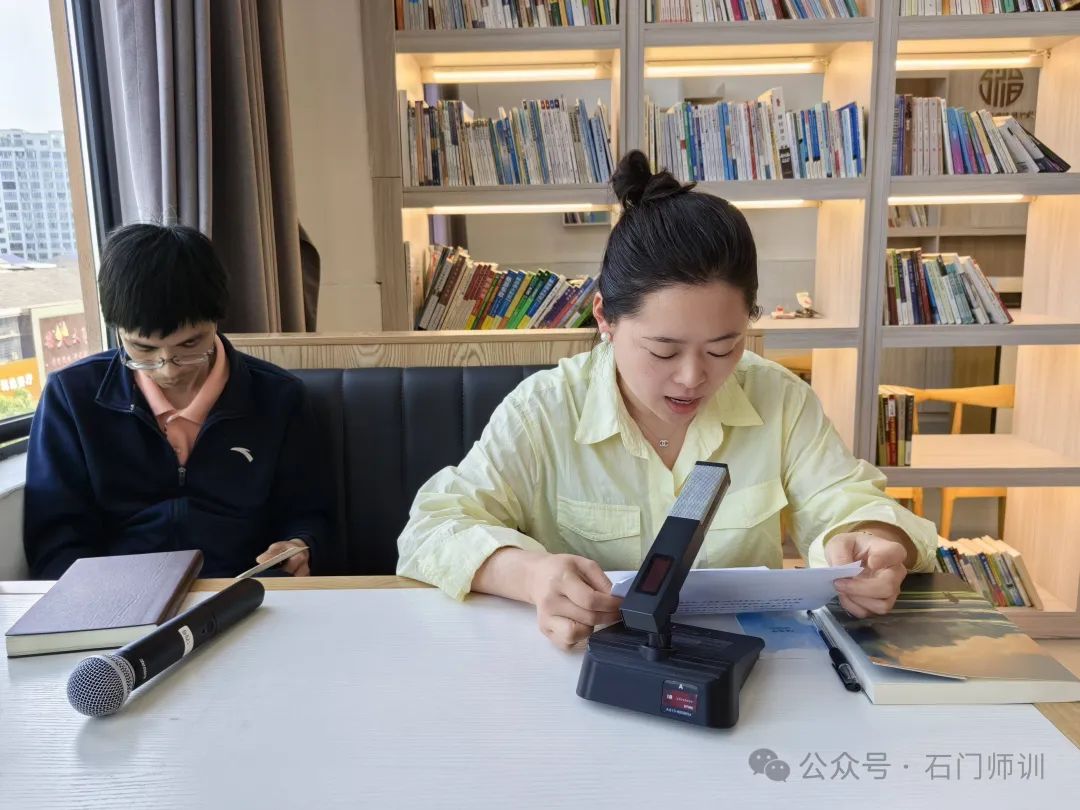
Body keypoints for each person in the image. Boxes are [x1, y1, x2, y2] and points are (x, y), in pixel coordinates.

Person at [397, 150, 939, 649]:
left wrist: (872, 542)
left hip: (743, 665)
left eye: (724, 347)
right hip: (582, 664)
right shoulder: (544, 409)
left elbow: (848, 502)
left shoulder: (780, 399)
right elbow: (432, 529)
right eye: (663, 349)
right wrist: (530, 574)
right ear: (605, 317)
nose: (692, 377)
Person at [24, 223, 331, 579]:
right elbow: (54, 537)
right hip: (118, 592)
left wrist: (299, 544)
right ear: (117, 330)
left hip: (245, 589)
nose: (168, 368)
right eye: (143, 348)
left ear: (216, 320)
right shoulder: (71, 398)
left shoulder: (279, 397)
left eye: (189, 344)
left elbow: (310, 513)